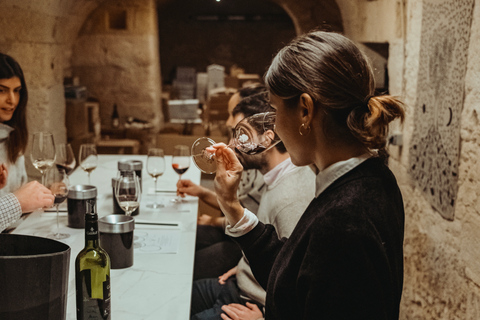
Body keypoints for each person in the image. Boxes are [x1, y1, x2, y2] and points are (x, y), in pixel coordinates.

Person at [209, 31, 406, 320]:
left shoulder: (345, 220)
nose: (273, 124)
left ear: (305, 110)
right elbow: (297, 278)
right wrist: (232, 208)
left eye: (275, 109)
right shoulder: (370, 178)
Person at [190, 92, 316, 320]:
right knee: (178, 294)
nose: (231, 144)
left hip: (253, 305)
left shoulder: (291, 199)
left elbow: (299, 286)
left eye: (242, 135)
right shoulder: (275, 177)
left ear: (268, 138)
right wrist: (245, 267)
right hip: (241, 283)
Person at [178, 84, 268, 280]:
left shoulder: (260, 167)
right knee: (181, 241)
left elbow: (250, 221)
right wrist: (202, 192)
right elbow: (239, 205)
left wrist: (213, 221)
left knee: (186, 267)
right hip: (234, 233)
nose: (228, 120)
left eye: (233, 114)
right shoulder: (249, 162)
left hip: (241, 243)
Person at [0, 53, 28, 196]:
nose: (12, 100)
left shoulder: (11, 136)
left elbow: (19, 192)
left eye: (16, 91)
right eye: (2, 90)